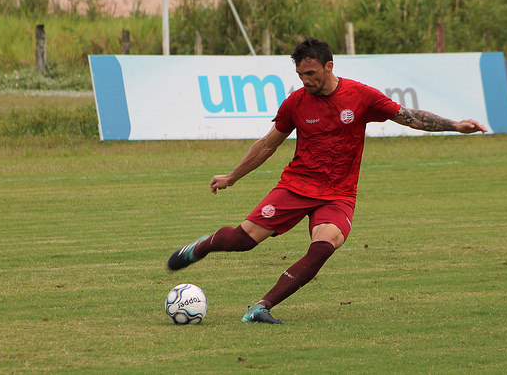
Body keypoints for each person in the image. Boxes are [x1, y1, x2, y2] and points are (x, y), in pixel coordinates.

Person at [168, 37, 487, 324]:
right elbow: (268, 144)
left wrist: (455, 125)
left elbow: (410, 116)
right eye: (300, 76)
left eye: (311, 74)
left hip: (338, 195)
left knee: (325, 244)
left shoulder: (361, 96)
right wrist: (231, 177)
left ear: (329, 66)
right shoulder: (296, 102)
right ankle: (204, 245)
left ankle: (262, 306)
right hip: (295, 187)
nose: (305, 81)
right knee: (243, 240)